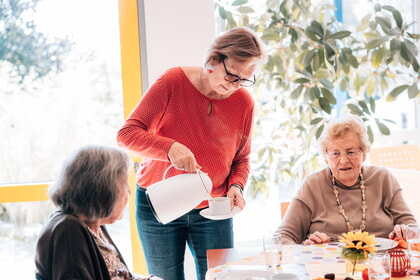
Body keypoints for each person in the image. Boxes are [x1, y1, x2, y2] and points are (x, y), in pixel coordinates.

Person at [117, 27, 266, 280]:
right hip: (160, 205)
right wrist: (169, 148)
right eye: (232, 76)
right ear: (213, 60)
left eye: (244, 79)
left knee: (220, 277)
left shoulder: (244, 103)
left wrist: (237, 187)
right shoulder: (173, 82)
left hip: (214, 208)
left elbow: (241, 158)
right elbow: (126, 135)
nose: (235, 86)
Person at [277, 115, 417, 245]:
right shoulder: (312, 185)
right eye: (335, 154)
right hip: (328, 267)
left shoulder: (382, 178)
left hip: (381, 267)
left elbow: (412, 227)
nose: (343, 160)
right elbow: (283, 236)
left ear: (363, 154)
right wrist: (306, 249)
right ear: (326, 158)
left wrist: (405, 231)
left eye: (350, 152)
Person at [34, 145, 163, 280]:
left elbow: (115, 273)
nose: (129, 192)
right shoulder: (68, 230)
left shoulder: (93, 223)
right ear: (103, 190)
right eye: (125, 184)